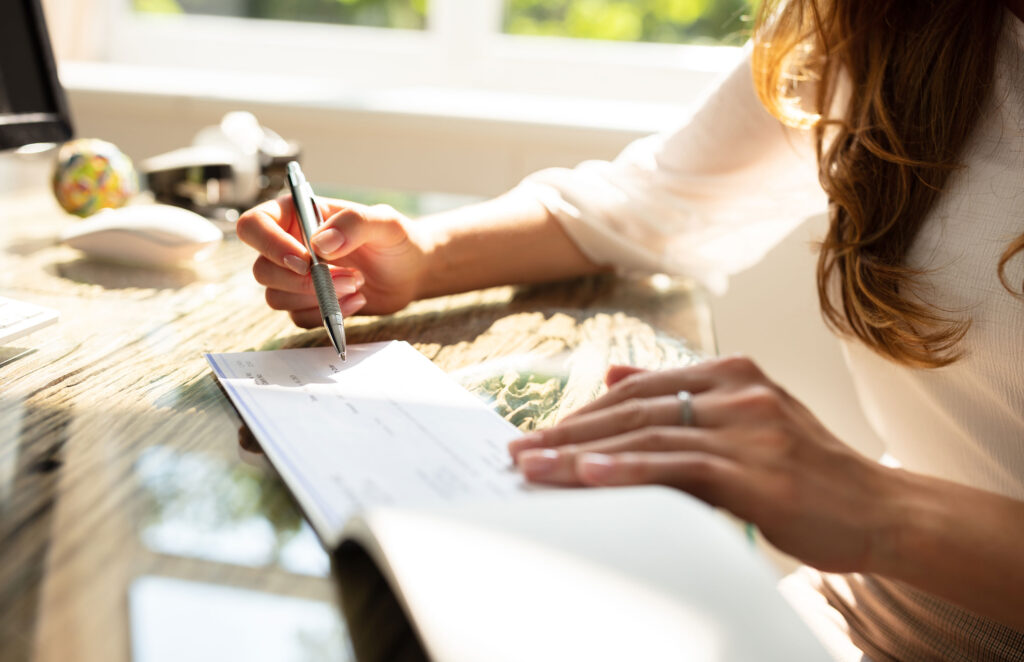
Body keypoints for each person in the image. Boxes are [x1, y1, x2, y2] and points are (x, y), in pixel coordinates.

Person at [236, 0, 1024, 658]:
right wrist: (417, 258)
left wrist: (883, 509)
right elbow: (658, 203)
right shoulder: (889, 19)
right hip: (867, 617)